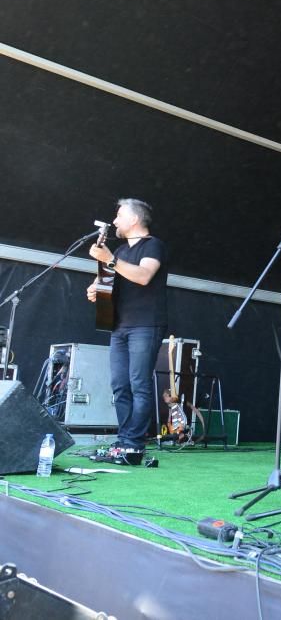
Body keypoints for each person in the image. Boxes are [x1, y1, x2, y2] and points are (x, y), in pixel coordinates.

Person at [86, 199, 168, 465]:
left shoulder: (152, 245)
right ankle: (124, 441)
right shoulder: (120, 250)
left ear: (134, 219)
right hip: (119, 325)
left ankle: (134, 445)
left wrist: (110, 259)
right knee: (120, 385)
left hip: (146, 324)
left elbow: (143, 275)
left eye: (119, 215)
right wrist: (95, 288)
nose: (115, 220)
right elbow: (109, 279)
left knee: (139, 384)